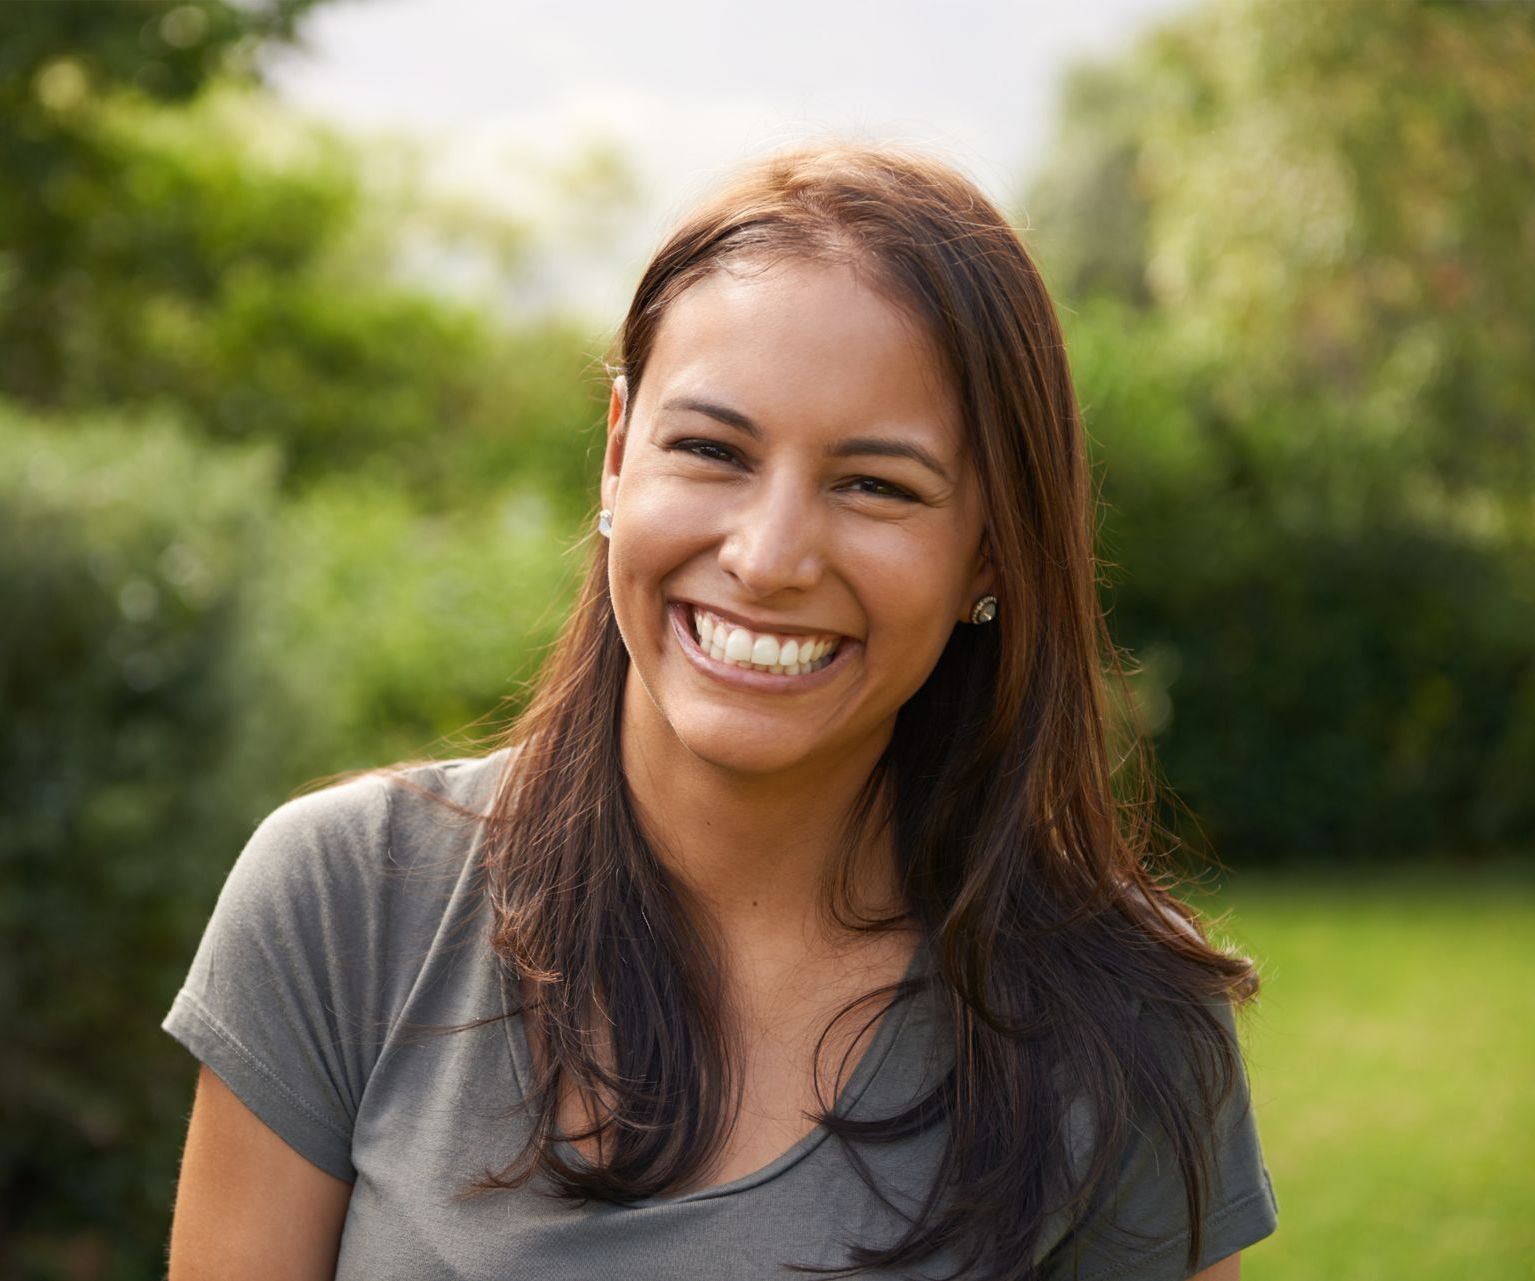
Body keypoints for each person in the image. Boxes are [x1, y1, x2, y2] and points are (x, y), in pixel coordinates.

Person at [163, 142, 1278, 1280]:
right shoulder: (343, 905)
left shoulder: (1124, 1025)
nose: (767, 556)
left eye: (875, 485)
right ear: (614, 457)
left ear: (989, 549)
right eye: (709, 449)